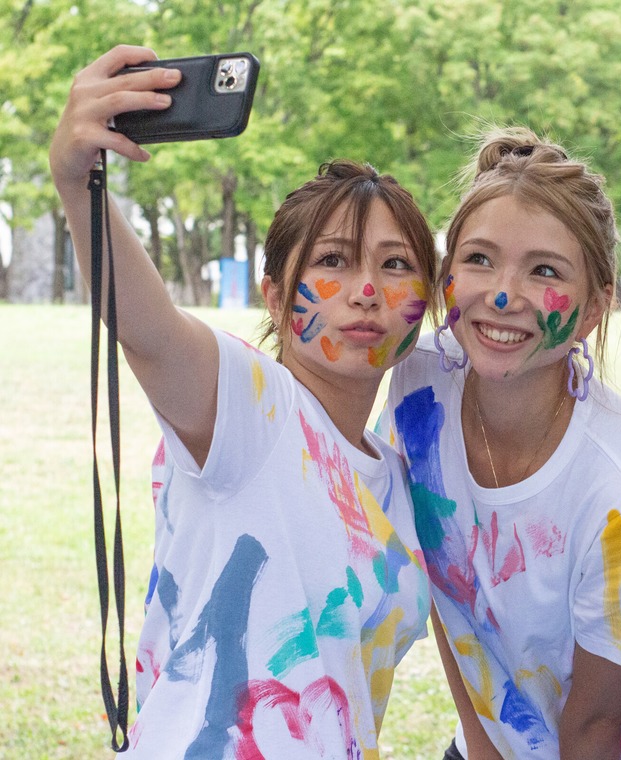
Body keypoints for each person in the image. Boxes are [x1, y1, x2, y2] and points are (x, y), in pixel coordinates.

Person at [50, 45, 437, 759]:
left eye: (396, 265)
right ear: (275, 296)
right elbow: (150, 331)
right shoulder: (253, 409)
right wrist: (78, 184)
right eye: (333, 260)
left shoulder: (396, 474)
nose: (366, 291)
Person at [378, 127, 621, 759]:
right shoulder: (419, 387)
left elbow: (593, 727)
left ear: (594, 308)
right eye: (479, 259)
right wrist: (481, 744)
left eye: (545, 271)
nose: (502, 295)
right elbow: (454, 594)